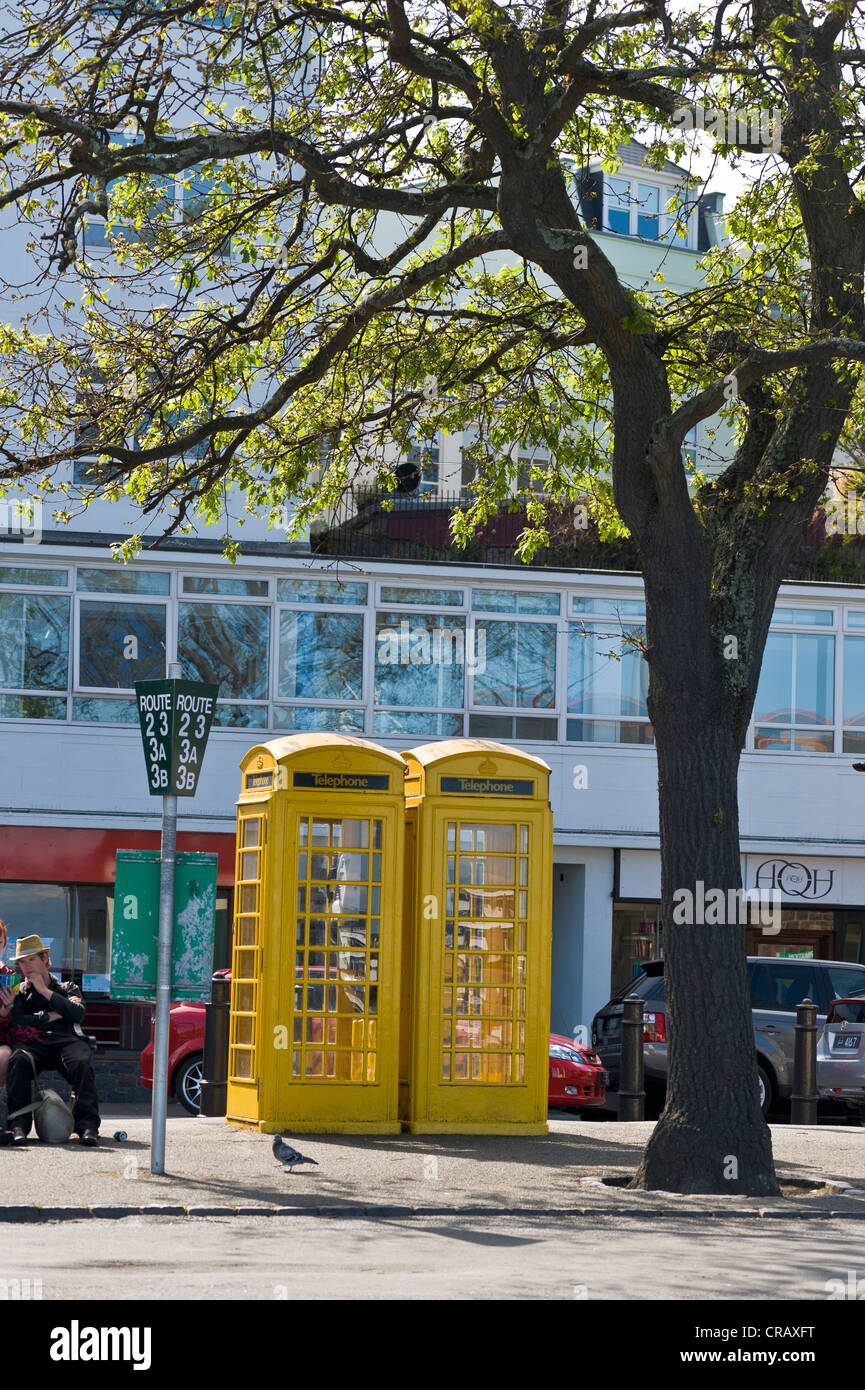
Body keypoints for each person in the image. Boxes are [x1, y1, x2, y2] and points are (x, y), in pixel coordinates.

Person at [4, 934, 100, 1146]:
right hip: (33, 1043)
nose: (26, 966)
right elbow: (17, 1022)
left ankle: (88, 1126)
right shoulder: (19, 991)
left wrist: (45, 992)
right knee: (18, 1061)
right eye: (21, 961)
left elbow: (77, 1014)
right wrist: (48, 1016)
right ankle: (18, 1125)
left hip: (64, 1041)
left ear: (45, 959)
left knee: (81, 1063)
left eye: (31, 959)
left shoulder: (68, 988)